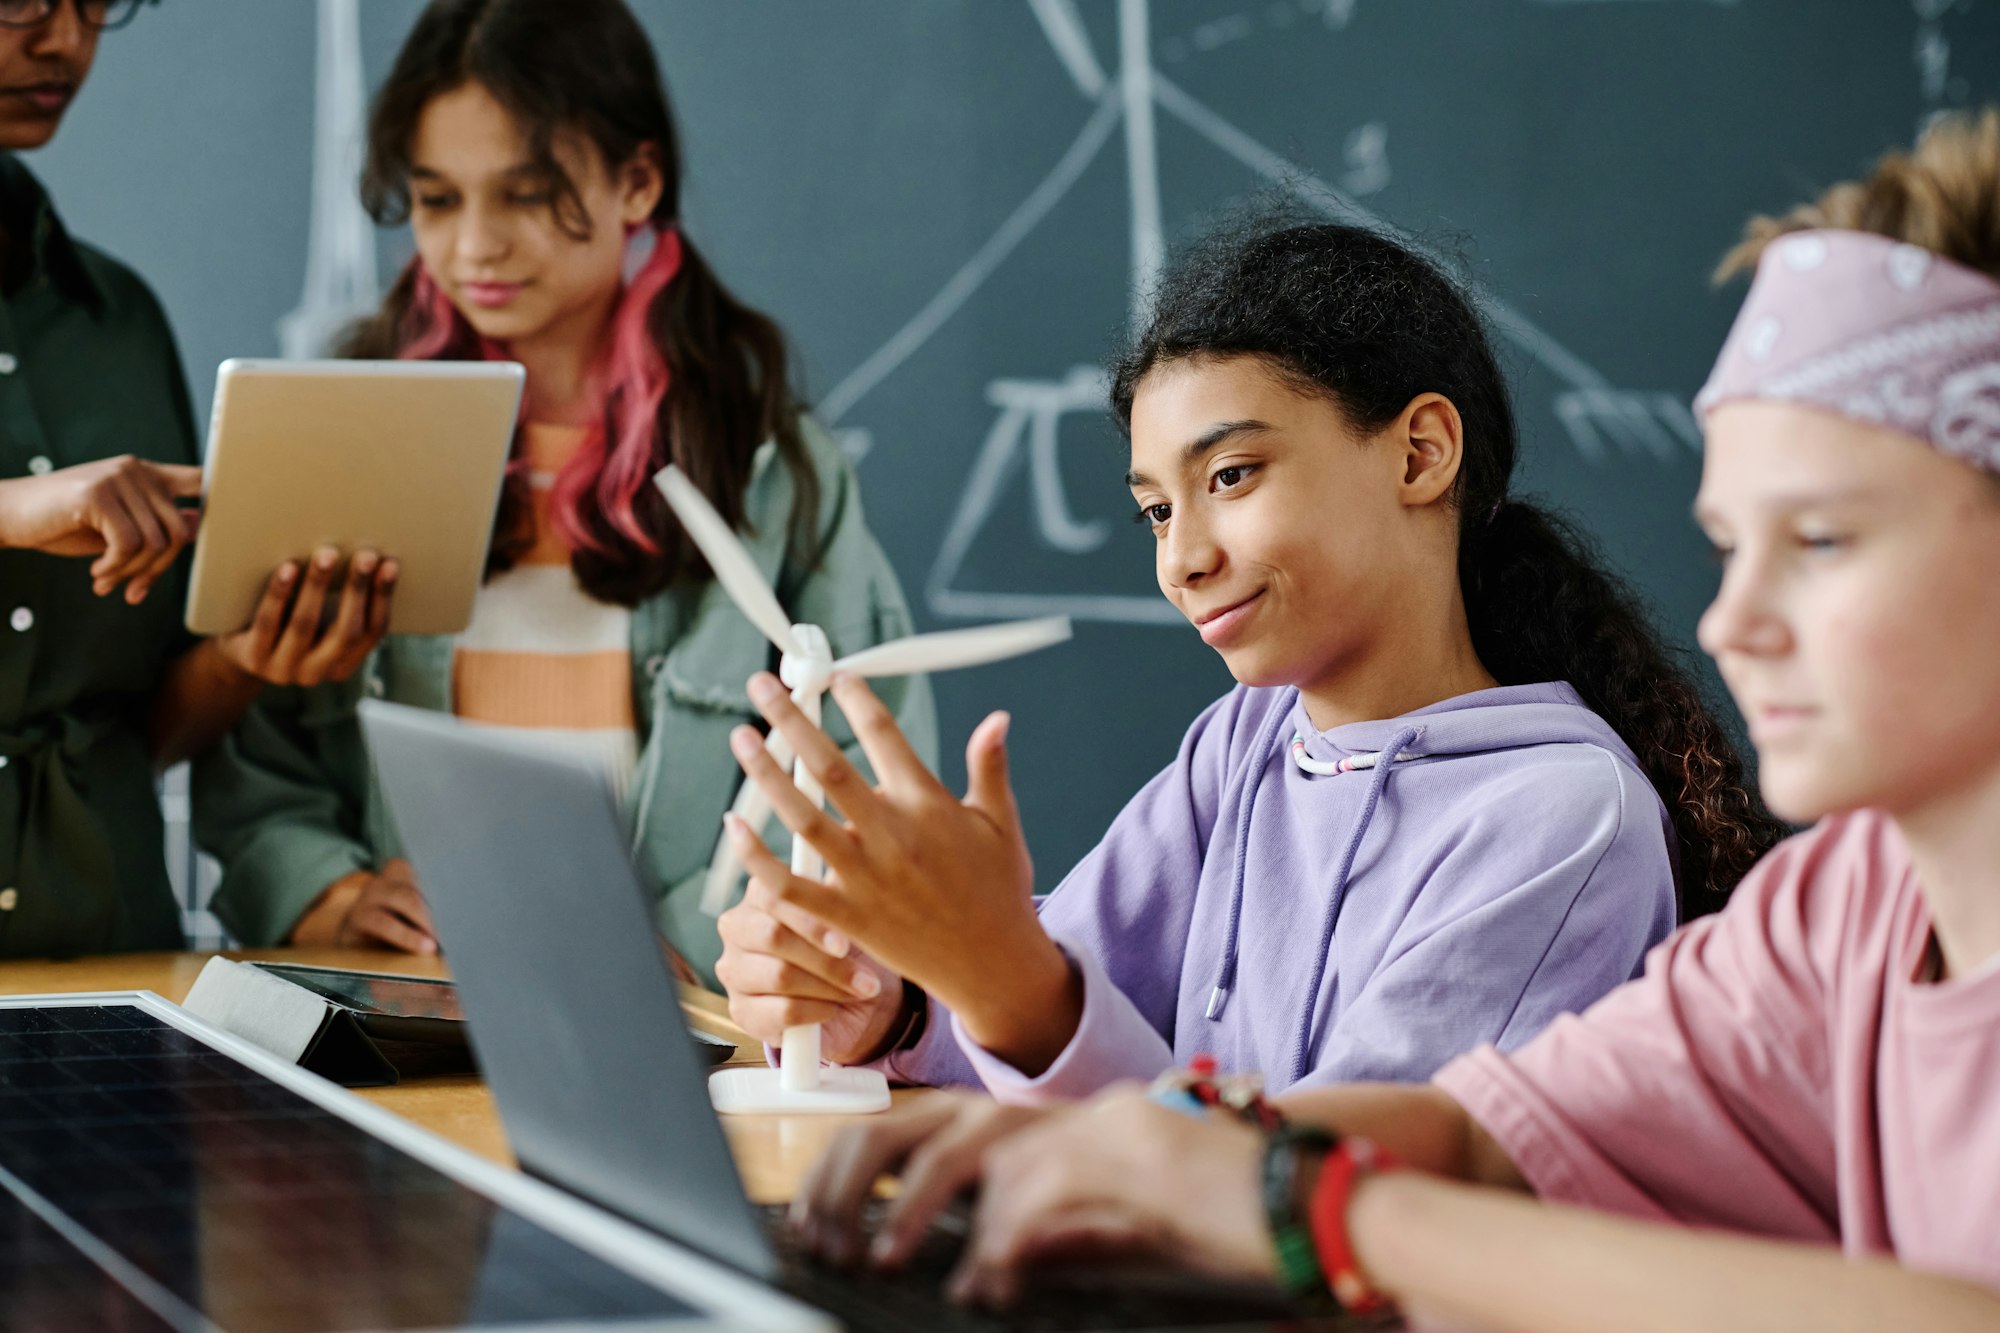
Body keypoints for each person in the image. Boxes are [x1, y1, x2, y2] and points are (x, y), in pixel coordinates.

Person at [799, 111, 2000, 1330]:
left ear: (1422, 452)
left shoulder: (1567, 813)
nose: (1733, 622)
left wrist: (1300, 1203)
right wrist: (966, 1044)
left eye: (1825, 539)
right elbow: (1482, 1132)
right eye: (1729, 549)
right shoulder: (1842, 906)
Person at [713, 216, 1780, 1107]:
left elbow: (1318, 1211)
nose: (1182, 557)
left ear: (1419, 453)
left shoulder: (1562, 820)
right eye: (1153, 510)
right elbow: (1047, 1010)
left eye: (1229, 475)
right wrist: (890, 1003)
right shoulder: (1247, 745)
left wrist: (1006, 981)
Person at [192, 0, 934, 976]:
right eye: (437, 199)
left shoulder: (763, 458)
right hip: (406, 1003)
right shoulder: (345, 432)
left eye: (527, 193)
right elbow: (260, 755)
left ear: (636, 181)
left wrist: (695, 944)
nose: (474, 247)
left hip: (686, 1011)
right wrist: (328, 893)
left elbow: (860, 762)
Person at [0, 0, 390, 958]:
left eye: (95, 6)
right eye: (22, 2)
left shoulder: (119, 319)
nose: (65, 43)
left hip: (112, 948)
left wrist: (249, 655)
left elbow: (144, 736)